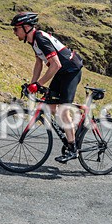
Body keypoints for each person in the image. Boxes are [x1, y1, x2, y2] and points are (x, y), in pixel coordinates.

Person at [10, 11, 83, 163]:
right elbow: (39, 63)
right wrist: (32, 84)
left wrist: (39, 84)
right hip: (61, 71)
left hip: (71, 70)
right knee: (50, 107)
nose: (14, 32)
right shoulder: (33, 41)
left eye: (16, 29)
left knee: (63, 110)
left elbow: (55, 64)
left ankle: (73, 148)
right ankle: (70, 130)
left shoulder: (40, 39)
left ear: (25, 27)